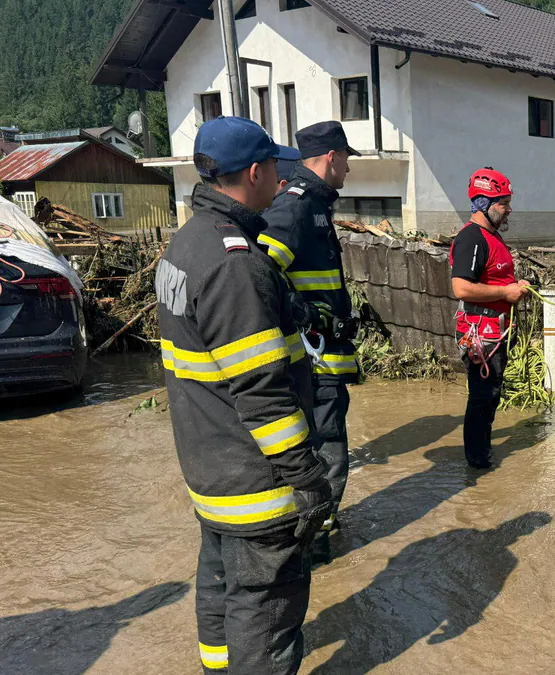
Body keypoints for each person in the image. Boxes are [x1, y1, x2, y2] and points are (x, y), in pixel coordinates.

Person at [155, 116, 331, 674]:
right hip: (256, 481)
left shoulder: (187, 242)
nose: (282, 176)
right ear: (255, 172)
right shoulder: (235, 265)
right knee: (265, 613)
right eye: (276, 166)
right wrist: (308, 477)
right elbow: (262, 392)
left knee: (221, 591)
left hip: (211, 470)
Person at [259, 121, 360, 563]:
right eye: (347, 160)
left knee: (328, 450)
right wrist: (305, 315)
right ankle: (313, 547)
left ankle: (317, 536)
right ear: (332, 157)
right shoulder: (296, 207)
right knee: (328, 453)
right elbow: (260, 275)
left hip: (323, 360)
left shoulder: (316, 205)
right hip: (313, 362)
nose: (348, 169)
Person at [449, 167, 530, 469]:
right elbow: (461, 287)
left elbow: (496, 279)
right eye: (503, 203)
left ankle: (481, 455)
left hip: (495, 330)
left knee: (491, 395)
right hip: (481, 334)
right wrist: (506, 292)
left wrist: (515, 286)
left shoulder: (490, 236)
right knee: (483, 397)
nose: (509, 209)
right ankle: (478, 462)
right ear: (483, 203)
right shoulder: (471, 238)